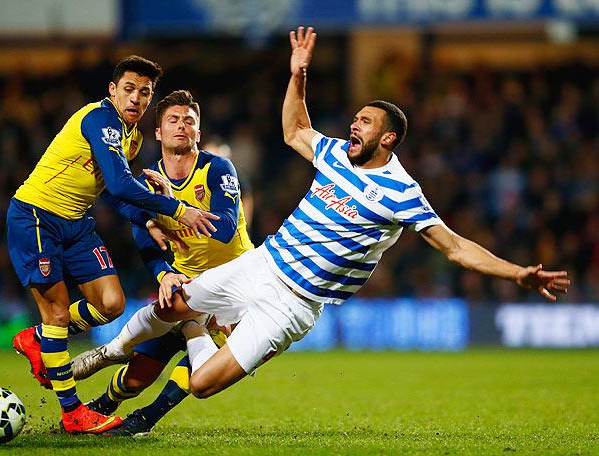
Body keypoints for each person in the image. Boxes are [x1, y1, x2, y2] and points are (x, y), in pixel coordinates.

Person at [72, 27, 570, 402]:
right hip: (261, 264)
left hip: (293, 305)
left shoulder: (401, 191)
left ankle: (194, 330)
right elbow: (294, 129)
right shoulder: (333, 153)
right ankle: (106, 353)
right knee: (171, 303)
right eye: (355, 118)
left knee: (200, 384)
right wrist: (298, 73)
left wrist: (518, 274)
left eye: (365, 122)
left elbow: (456, 247)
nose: (354, 125)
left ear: (388, 138)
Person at [6, 56, 219, 434]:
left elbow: (111, 194)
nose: (136, 99)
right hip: (37, 216)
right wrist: (176, 208)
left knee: (111, 303)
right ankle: (73, 412)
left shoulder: (132, 138)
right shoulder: (99, 119)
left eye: (145, 92)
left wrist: (147, 219)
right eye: (129, 90)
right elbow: (122, 186)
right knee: (56, 314)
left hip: (76, 224)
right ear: (112, 90)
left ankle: (36, 340)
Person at [78, 90, 254, 436]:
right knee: (138, 375)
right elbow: (145, 238)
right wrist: (163, 272)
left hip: (233, 284)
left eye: (189, 121)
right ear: (157, 132)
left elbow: (224, 229)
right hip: (183, 283)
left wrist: (173, 205)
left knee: (204, 362)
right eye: (173, 120)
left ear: (198, 133)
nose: (181, 126)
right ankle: (101, 407)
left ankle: (145, 418)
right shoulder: (147, 182)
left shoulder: (217, 169)